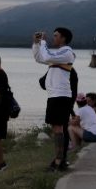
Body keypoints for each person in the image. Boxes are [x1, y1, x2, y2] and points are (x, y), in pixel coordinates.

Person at [34, 27, 76, 171]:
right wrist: (36, 44)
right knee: (56, 128)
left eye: (56, 36)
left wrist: (43, 42)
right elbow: (39, 58)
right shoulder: (57, 54)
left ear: (63, 38)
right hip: (54, 95)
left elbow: (46, 56)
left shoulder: (67, 52)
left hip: (61, 95)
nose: (54, 38)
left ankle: (59, 161)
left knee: (58, 129)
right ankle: (59, 160)